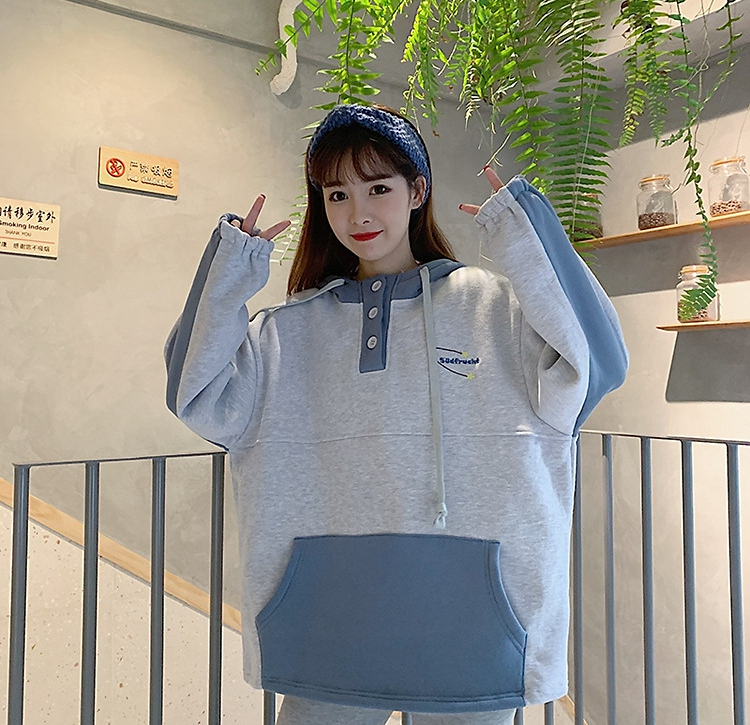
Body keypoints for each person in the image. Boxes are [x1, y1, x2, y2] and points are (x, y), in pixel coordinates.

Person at [165, 104, 628, 725]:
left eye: (378, 188)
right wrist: (229, 274)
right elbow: (194, 392)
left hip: (475, 634)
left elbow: (597, 363)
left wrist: (527, 235)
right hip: (324, 627)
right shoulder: (283, 334)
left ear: (417, 191)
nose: (357, 213)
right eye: (337, 194)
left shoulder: (497, 312)